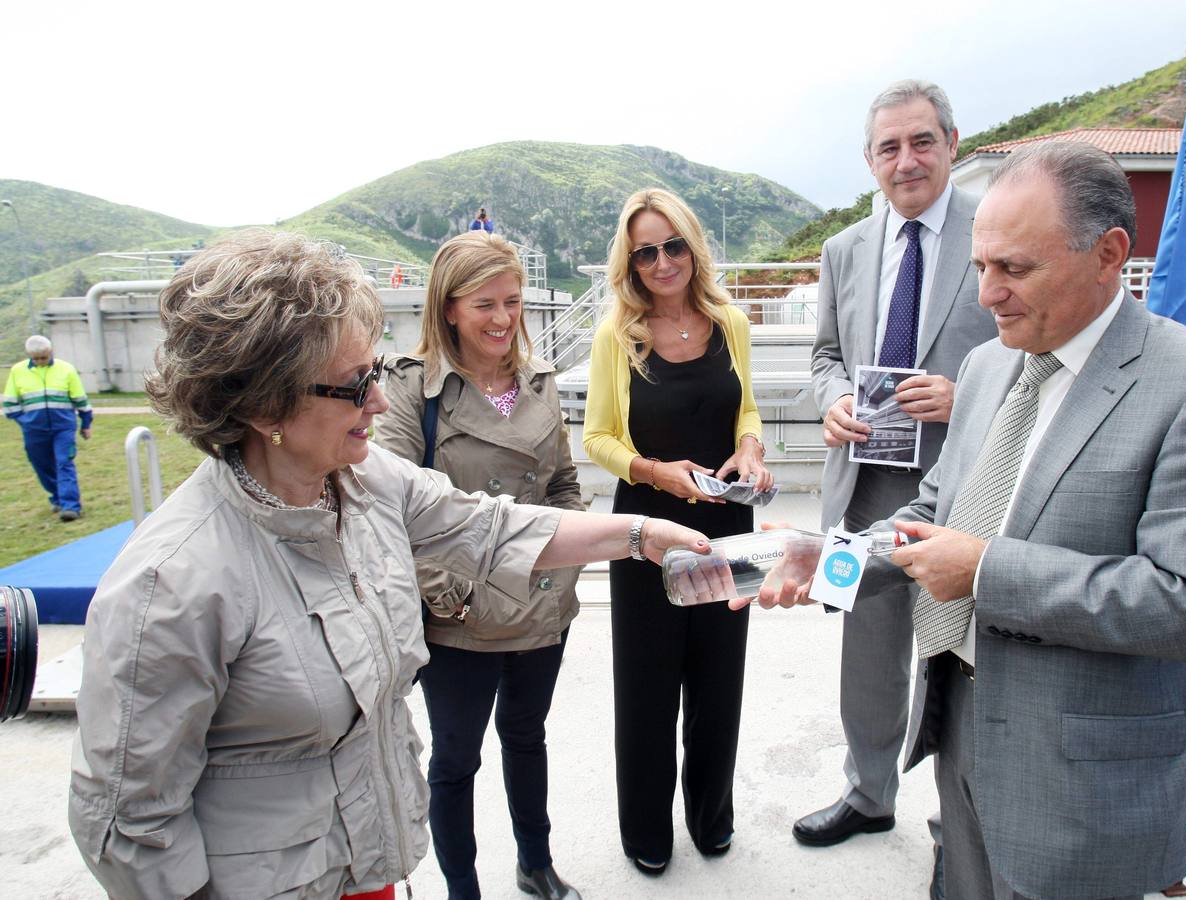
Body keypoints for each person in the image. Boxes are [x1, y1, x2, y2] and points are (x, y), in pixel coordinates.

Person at [67, 230, 707, 900]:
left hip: (365, 873)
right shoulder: (170, 585)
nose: (377, 401)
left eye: (374, 374)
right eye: (354, 385)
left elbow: (489, 525)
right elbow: (128, 823)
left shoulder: (368, 481)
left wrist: (641, 533)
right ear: (262, 404)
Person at [749, 142, 1186, 899]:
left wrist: (987, 571)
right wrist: (826, 559)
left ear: (1109, 255)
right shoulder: (990, 364)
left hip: (1081, 785)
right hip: (960, 735)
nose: (988, 295)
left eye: (1016, 269)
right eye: (979, 268)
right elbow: (936, 512)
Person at [796, 79, 998, 888]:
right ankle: (868, 793)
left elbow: (1031, 349)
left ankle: (960, 816)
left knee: (953, 655)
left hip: (965, 486)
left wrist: (964, 395)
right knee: (865, 649)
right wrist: (835, 399)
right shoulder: (845, 249)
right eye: (889, 147)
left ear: (952, 141)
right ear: (870, 160)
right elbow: (821, 356)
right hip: (865, 488)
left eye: (922, 141)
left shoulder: (996, 228)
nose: (906, 160)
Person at [376, 232, 584, 900]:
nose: (502, 319)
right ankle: (462, 889)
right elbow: (391, 507)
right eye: (484, 304)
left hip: (540, 603)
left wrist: (559, 578)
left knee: (527, 737)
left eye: (513, 303)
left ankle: (535, 863)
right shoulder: (413, 389)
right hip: (459, 614)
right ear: (449, 309)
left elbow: (562, 489)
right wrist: (451, 596)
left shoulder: (540, 383)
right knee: (455, 760)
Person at [583, 187, 772, 875]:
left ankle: (711, 817)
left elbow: (746, 410)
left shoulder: (731, 323)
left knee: (720, 681)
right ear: (629, 265)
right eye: (645, 253)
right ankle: (646, 831)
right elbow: (597, 438)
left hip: (730, 525)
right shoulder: (616, 335)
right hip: (647, 529)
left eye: (673, 246)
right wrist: (657, 473)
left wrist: (750, 450)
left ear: (693, 246)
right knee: (647, 687)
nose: (662, 263)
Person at [3, 334, 93, 521]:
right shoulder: (18, 371)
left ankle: (71, 506)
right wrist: (25, 422)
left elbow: (80, 399)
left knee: (64, 462)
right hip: (34, 431)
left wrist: (86, 423)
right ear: (29, 356)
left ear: (50, 352)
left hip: (63, 428)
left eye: (43, 357)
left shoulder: (66, 369)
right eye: (35, 359)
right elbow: (10, 404)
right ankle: (58, 497)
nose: (40, 362)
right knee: (42, 465)